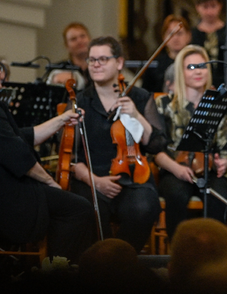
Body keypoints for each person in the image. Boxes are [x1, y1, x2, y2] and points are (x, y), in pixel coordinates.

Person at [0, 46, 95, 261]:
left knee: (68, 205)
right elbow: (18, 155)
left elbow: (21, 137)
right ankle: (57, 273)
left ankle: (44, 268)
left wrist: (61, 120)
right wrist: (50, 182)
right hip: (0, 196)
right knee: (78, 209)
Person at [71, 36, 167, 252]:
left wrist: (136, 115)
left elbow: (157, 144)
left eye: (103, 59)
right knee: (88, 209)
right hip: (91, 180)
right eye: (92, 60)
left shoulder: (140, 98)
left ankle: (120, 258)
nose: (96, 64)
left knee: (144, 207)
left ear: (119, 62)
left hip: (134, 179)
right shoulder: (80, 102)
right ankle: (99, 260)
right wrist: (95, 181)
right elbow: (71, 156)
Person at [154, 45, 227, 239]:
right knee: (177, 195)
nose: (198, 71)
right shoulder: (163, 104)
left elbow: (225, 146)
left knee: (218, 196)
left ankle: (215, 251)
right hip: (173, 170)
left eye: (202, 66)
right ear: (180, 72)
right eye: (191, 67)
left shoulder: (218, 103)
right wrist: (176, 168)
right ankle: (178, 250)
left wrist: (224, 161)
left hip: (208, 168)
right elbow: (155, 148)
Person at [141, 14, 191, 94]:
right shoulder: (154, 65)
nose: (175, 38)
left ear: (188, 36)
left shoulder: (195, 63)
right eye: (170, 34)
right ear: (164, 37)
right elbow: (146, 94)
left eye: (179, 33)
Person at [47, 21, 92, 90]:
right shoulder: (58, 69)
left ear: (89, 39)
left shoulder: (99, 66)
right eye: (73, 39)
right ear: (66, 45)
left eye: (82, 36)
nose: (79, 41)